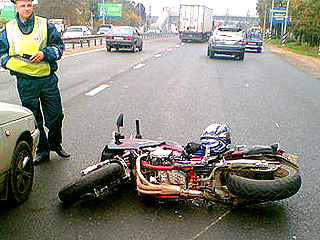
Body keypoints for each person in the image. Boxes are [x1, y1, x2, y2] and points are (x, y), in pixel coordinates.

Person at [0, 0, 70, 164]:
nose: (26, 9)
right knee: (34, 119)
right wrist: (16, 65)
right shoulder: (7, 29)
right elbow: (2, 55)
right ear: (16, 7)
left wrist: (45, 53)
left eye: (29, 5)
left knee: (56, 116)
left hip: (47, 78)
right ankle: (43, 150)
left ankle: (55, 143)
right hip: (25, 82)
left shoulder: (45, 25)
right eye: (23, 5)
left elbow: (58, 47)